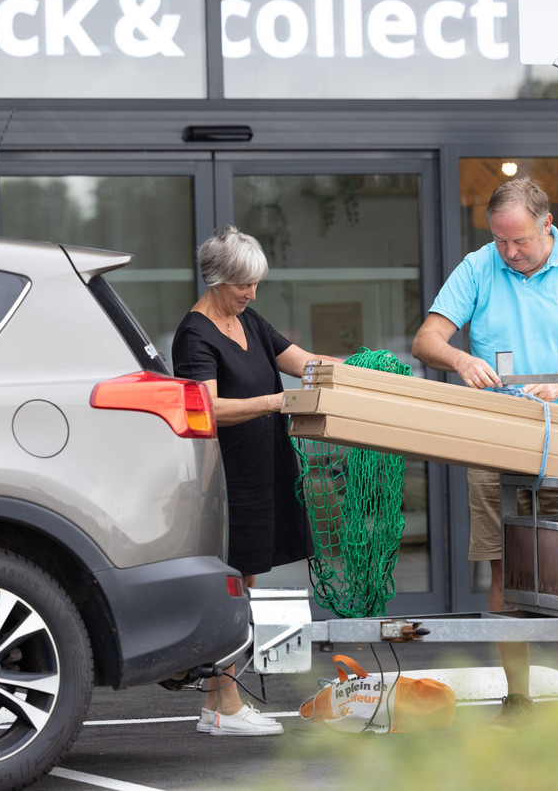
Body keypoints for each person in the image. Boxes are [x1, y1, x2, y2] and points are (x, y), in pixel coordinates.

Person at [411, 177, 558, 728]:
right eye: (501, 241)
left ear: (547, 224)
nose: (510, 252)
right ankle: (518, 700)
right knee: (503, 566)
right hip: (495, 436)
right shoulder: (479, 266)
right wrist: (460, 362)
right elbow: (426, 339)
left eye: (520, 241)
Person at [173, 225, 342, 737]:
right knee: (230, 585)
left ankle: (219, 703)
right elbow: (209, 406)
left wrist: (364, 370)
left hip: (263, 470)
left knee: (245, 581)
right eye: (244, 284)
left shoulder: (249, 320)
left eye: (256, 284)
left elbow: (307, 365)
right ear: (218, 279)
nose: (252, 293)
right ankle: (221, 705)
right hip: (225, 479)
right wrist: (276, 401)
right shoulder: (194, 334)